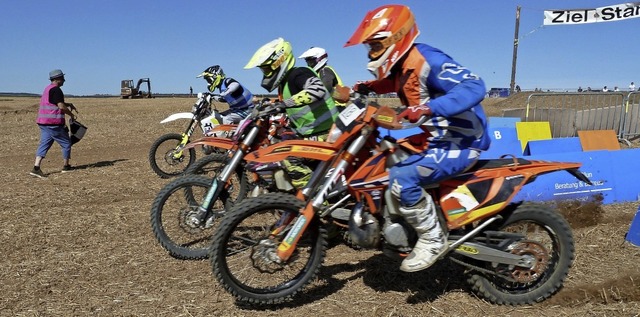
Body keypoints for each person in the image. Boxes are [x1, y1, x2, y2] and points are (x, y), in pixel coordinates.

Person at [346, 4, 491, 272]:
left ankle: (432, 238)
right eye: (370, 48)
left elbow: (474, 86)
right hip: (436, 138)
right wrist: (366, 87)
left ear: (397, 38)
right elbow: (399, 83)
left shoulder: (429, 59)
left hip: (461, 142)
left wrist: (428, 108)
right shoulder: (404, 65)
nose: (372, 53)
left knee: (404, 178)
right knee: (387, 156)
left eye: (376, 46)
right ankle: (401, 226)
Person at [245, 37, 339, 188]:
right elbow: (290, 102)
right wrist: (269, 105)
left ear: (279, 62)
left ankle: (313, 200)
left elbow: (318, 89)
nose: (266, 73)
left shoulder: (299, 73)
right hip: (311, 133)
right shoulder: (285, 82)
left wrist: (283, 104)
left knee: (288, 157)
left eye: (268, 69)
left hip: (328, 133)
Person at [30, 69, 77, 178]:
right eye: (62, 78)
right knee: (66, 143)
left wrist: (68, 103)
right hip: (53, 123)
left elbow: (54, 102)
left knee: (44, 144)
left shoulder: (47, 89)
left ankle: (36, 168)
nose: (64, 80)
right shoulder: (57, 90)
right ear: (57, 79)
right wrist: (71, 114)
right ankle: (66, 166)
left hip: (43, 123)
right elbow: (60, 106)